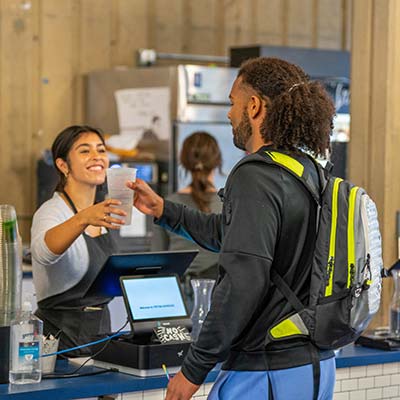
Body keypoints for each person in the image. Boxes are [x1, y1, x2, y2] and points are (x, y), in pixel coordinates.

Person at [127, 57, 337, 400]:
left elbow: (243, 281)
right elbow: (236, 235)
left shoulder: (255, 175)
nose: (228, 114)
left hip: (267, 369)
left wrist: (192, 371)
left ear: (253, 106)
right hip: (314, 366)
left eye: (232, 103)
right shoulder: (308, 172)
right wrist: (165, 210)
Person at [31, 125, 127, 356]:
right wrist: (83, 218)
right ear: (63, 165)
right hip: (57, 348)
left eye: (101, 150)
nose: (97, 157)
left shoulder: (105, 211)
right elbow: (43, 252)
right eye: (85, 151)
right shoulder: (52, 211)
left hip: (102, 342)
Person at [151, 131, 223, 308]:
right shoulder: (228, 203)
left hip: (177, 295)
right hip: (218, 294)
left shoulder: (167, 206)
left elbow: (157, 259)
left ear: (183, 161)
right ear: (218, 161)